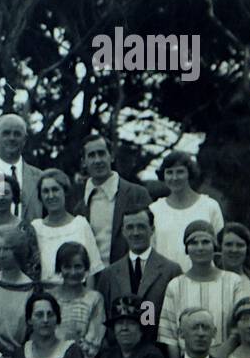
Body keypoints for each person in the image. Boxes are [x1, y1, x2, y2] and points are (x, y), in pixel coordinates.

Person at [158, 220, 250, 358]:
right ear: (187, 249)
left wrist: (221, 354)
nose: (200, 248)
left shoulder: (234, 282)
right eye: (193, 243)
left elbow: (239, 326)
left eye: (205, 242)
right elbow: (169, 336)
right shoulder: (175, 286)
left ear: (214, 246)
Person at [93, 206, 180, 332]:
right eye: (130, 227)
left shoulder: (171, 271)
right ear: (123, 231)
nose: (135, 233)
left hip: (159, 347)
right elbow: (102, 317)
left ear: (152, 229)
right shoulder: (109, 274)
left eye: (141, 227)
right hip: (120, 347)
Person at [74, 133, 151, 266]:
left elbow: (150, 239)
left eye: (102, 153)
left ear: (112, 156)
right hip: (92, 280)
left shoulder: (136, 194)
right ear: (84, 162)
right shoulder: (79, 203)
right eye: (91, 155)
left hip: (129, 276)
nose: (98, 160)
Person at [149, 151, 224, 273]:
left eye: (180, 172)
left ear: (189, 173)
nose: (174, 178)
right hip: (165, 281)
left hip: (203, 279)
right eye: (169, 172)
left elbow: (219, 250)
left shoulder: (210, 206)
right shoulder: (154, 209)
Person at [31, 169, 103, 289]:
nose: (51, 196)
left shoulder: (80, 224)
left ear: (65, 192)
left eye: (55, 189)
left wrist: (87, 301)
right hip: (46, 298)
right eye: (45, 191)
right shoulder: (36, 227)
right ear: (40, 196)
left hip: (78, 292)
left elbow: (92, 270)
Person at [0, 228, 36, 355]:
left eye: (6, 249)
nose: (1, 254)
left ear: (18, 250)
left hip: (20, 356)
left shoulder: (31, 289)